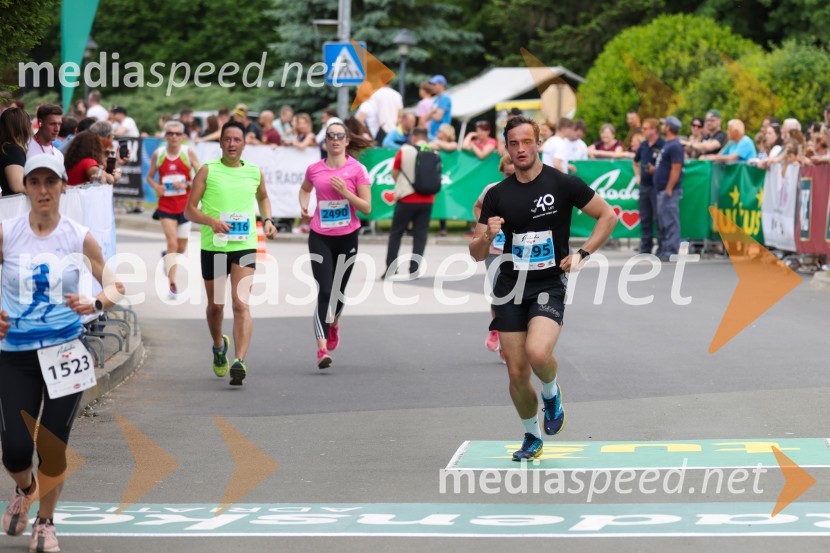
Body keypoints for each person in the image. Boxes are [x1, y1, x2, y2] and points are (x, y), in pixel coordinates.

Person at [470, 116, 616, 461]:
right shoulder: (497, 195)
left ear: (538, 143)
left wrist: (582, 253)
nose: (520, 149)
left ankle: (551, 392)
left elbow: (608, 216)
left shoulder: (562, 183)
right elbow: (476, 253)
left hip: (549, 282)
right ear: (507, 148)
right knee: (516, 370)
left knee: (538, 353)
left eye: (526, 142)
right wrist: (488, 235)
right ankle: (531, 435)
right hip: (509, 286)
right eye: (514, 144)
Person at [1, 154, 124, 553]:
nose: (42, 190)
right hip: (15, 354)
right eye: (34, 182)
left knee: (52, 446)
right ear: (25, 188)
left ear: (62, 187)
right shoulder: (7, 233)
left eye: (50, 182)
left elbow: (115, 285)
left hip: (65, 353)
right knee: (15, 451)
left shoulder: (77, 236)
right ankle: (26, 489)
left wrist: (97, 303)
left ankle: (46, 521)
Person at [184, 121, 277, 386]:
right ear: (220, 142)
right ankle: (218, 346)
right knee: (216, 306)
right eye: (228, 139)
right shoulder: (207, 170)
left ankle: (239, 361)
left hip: (244, 245)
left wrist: (267, 220)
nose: (232, 144)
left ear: (244, 143)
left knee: (241, 304)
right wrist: (211, 221)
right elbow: (189, 210)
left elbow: (263, 197)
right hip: (214, 246)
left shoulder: (254, 172)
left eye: (237, 139)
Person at [299, 122, 372, 369]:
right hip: (320, 235)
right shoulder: (314, 169)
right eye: (331, 136)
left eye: (340, 136)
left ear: (347, 141)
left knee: (338, 292)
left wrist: (347, 193)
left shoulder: (357, 169)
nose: (335, 139)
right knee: (325, 291)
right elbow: (305, 189)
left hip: (347, 236)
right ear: (326, 141)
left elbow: (367, 207)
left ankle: (335, 322)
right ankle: (321, 350)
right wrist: (304, 206)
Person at [147, 121, 201, 299]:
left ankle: (167, 257)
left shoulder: (187, 152)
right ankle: (172, 285)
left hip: (185, 206)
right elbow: (149, 176)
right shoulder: (159, 154)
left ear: (183, 136)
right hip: (166, 205)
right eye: (170, 133)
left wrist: (186, 184)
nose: (174, 137)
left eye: (177, 134)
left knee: (181, 248)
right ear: (165, 136)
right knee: (172, 243)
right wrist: (156, 186)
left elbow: (201, 176)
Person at [472, 154, 514, 362]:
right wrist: (485, 226)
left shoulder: (533, 190)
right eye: (507, 175)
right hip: (496, 249)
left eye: (515, 174)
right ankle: (499, 334)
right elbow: (477, 206)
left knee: (518, 297)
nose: (511, 178)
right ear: (502, 172)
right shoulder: (492, 189)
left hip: (522, 251)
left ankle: (508, 335)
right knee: (500, 293)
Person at [384, 127, 437, 280]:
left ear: (413, 137)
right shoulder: (433, 152)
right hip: (427, 199)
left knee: (396, 233)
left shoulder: (404, 150)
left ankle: (391, 269)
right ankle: (414, 270)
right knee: (420, 235)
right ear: (425, 137)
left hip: (406, 198)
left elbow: (395, 173)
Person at [654, 116, 685, 261]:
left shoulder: (675, 146)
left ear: (668, 127)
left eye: (664, 125)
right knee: (663, 220)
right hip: (662, 189)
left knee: (670, 220)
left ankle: (671, 250)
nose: (662, 127)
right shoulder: (669, 144)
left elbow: (676, 168)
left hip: (668, 190)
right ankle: (664, 248)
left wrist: (669, 188)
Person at [633, 118, 665, 254]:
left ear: (654, 130)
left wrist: (656, 171)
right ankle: (646, 247)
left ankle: (662, 246)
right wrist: (638, 176)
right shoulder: (644, 145)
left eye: (646, 128)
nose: (643, 131)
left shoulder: (662, 144)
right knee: (645, 217)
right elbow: (635, 161)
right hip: (645, 185)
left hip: (657, 186)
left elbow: (667, 165)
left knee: (659, 217)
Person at [0, 107, 31, 196]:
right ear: (23, 127)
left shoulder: (6, 148)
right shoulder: (13, 150)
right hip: (13, 203)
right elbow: (17, 186)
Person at [426, 75, 452, 140]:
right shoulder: (436, 99)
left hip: (441, 136)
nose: (432, 86)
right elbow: (427, 118)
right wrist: (433, 111)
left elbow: (438, 118)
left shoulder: (445, 98)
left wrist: (431, 112)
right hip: (432, 135)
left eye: (434, 84)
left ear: (442, 85)